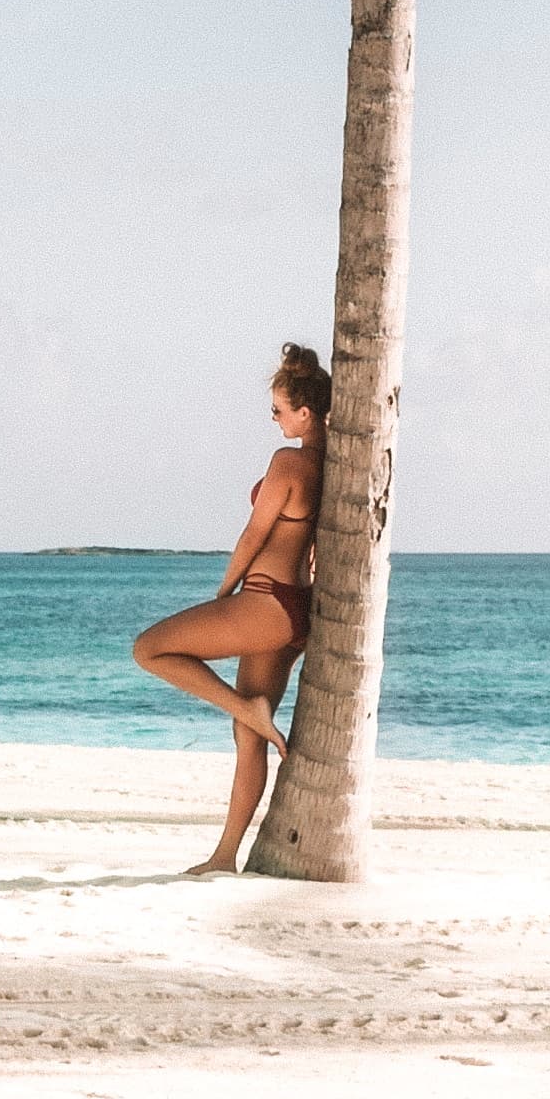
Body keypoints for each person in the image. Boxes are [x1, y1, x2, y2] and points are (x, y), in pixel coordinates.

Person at [131, 343, 329, 875]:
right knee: (248, 743)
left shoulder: (288, 462)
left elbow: (252, 536)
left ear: (304, 413)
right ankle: (224, 857)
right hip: (295, 614)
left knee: (150, 648)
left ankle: (247, 710)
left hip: (265, 602)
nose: (275, 418)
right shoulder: (330, 465)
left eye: (279, 410)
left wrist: (224, 594)